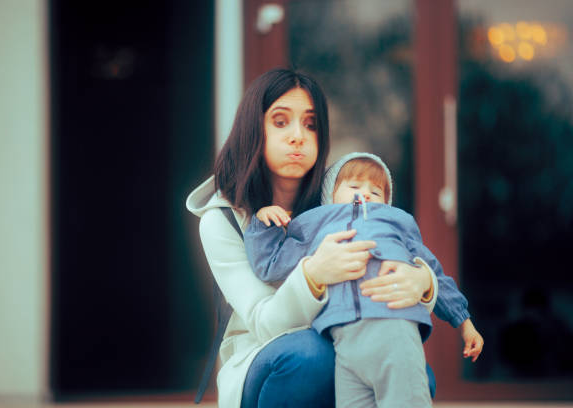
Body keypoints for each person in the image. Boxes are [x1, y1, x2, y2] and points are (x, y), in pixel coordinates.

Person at [185, 69, 440, 408]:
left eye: (310, 124)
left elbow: (393, 257)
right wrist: (314, 275)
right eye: (280, 122)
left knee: (415, 373)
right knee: (311, 356)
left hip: (344, 338)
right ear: (253, 129)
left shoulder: (338, 198)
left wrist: (423, 281)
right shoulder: (223, 220)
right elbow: (263, 322)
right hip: (265, 357)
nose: (297, 136)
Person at [244, 152, 484, 407]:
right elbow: (270, 264)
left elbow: (433, 271)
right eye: (355, 186)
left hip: (394, 329)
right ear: (330, 196)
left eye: (377, 192)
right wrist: (263, 223)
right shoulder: (314, 228)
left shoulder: (396, 223)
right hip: (343, 341)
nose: (366, 194)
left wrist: (464, 322)